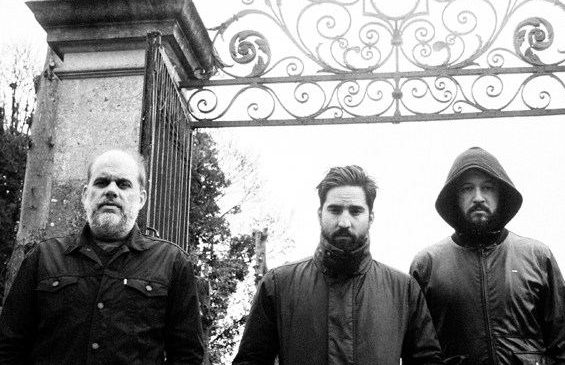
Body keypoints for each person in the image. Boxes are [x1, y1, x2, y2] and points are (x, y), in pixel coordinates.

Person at [0, 149, 204, 364]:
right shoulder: (43, 257)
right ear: (85, 194)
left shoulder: (172, 262)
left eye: (124, 184)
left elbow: (187, 355)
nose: (111, 191)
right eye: (102, 182)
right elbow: (9, 346)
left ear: (141, 199)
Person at [232, 165, 444, 365]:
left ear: (371, 217)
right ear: (319, 214)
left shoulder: (404, 290)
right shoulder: (278, 285)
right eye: (335, 210)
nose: (344, 222)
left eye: (355, 211)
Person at [410, 146, 565, 364]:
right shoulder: (427, 266)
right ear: (454, 197)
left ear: (500, 194)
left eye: (487, 187)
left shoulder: (538, 257)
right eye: (467, 188)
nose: (478, 198)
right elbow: (418, 354)